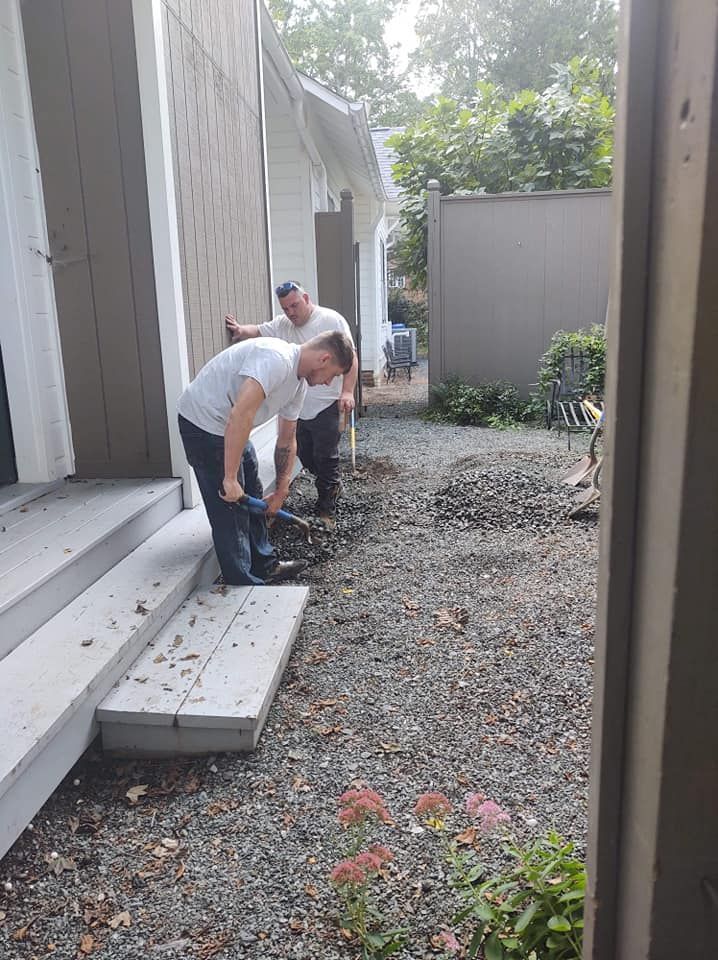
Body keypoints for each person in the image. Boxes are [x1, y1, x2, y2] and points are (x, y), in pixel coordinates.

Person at [177, 331, 355, 586]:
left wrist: (282, 490)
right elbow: (241, 413)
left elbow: (287, 439)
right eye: (334, 375)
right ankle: (242, 584)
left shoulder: (298, 384)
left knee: (253, 487)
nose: (329, 383)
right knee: (231, 507)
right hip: (203, 424)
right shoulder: (276, 359)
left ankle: (264, 566)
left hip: (229, 425)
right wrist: (228, 478)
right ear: (324, 359)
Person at [226, 281, 357, 530]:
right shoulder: (282, 325)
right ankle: (329, 483)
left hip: (326, 403)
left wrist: (347, 391)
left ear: (306, 298)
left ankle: (326, 507)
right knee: (305, 455)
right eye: (285, 308)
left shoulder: (331, 320)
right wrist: (240, 330)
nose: (291, 312)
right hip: (297, 406)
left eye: (295, 305)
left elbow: (352, 358)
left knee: (325, 455)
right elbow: (259, 331)